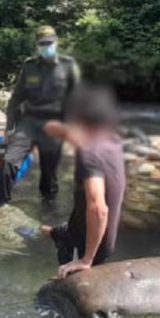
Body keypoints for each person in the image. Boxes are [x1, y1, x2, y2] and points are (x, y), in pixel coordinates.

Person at [40, 85, 125, 278]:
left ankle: (74, 255)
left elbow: (98, 209)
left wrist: (86, 259)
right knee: (54, 230)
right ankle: (51, 233)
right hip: (78, 227)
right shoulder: (111, 139)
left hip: (88, 241)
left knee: (61, 283)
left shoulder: (89, 154)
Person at [0, 25, 80, 204]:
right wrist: (9, 127)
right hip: (29, 122)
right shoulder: (29, 67)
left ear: (56, 42)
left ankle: (48, 207)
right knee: (9, 161)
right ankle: (0, 203)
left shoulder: (68, 65)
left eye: (49, 43)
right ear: (37, 45)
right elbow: (15, 98)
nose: (46, 46)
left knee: (49, 173)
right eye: (42, 43)